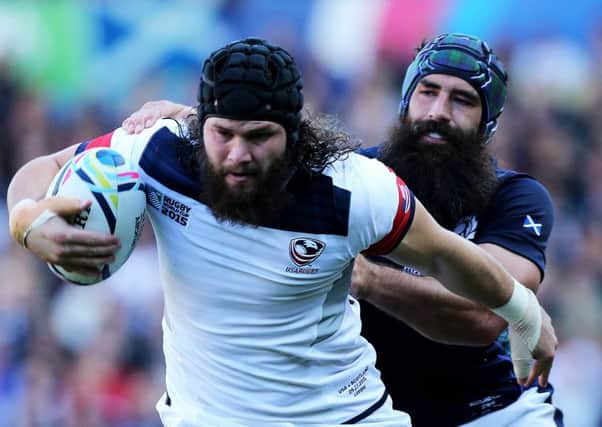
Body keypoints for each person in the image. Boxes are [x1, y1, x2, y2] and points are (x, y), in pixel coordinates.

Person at [7, 37, 557, 427]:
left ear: (293, 134)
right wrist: (28, 222)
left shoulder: (353, 189)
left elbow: (463, 283)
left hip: (465, 413)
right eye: (223, 132)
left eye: (463, 99)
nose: (238, 155)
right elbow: (41, 168)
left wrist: (524, 313)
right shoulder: (157, 148)